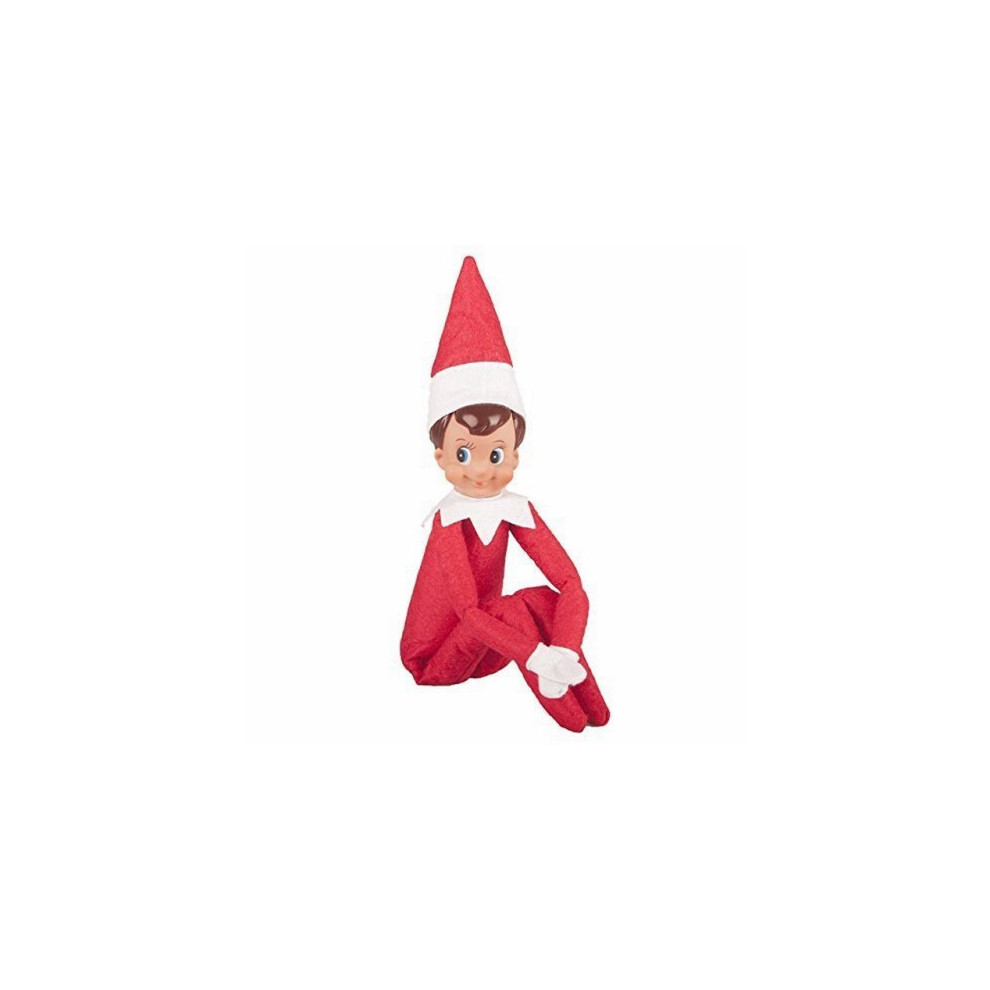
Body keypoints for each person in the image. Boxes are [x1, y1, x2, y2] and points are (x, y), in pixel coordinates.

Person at [400, 257, 609, 732]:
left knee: (546, 600)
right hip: (438, 660)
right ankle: (572, 718)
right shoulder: (449, 521)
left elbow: (570, 582)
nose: (480, 470)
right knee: (511, 609)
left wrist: (563, 648)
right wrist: (536, 655)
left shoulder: (516, 509)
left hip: (488, 651)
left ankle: (593, 707)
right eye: (464, 453)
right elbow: (470, 612)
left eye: (495, 454)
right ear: (441, 457)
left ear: (515, 454)